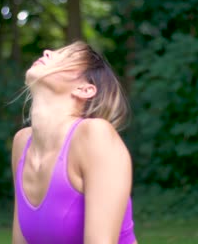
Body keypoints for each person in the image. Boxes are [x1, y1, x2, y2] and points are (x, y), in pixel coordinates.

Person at [11, 41, 137, 244]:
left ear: (85, 90)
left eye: (68, 56)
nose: (47, 51)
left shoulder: (94, 135)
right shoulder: (22, 143)